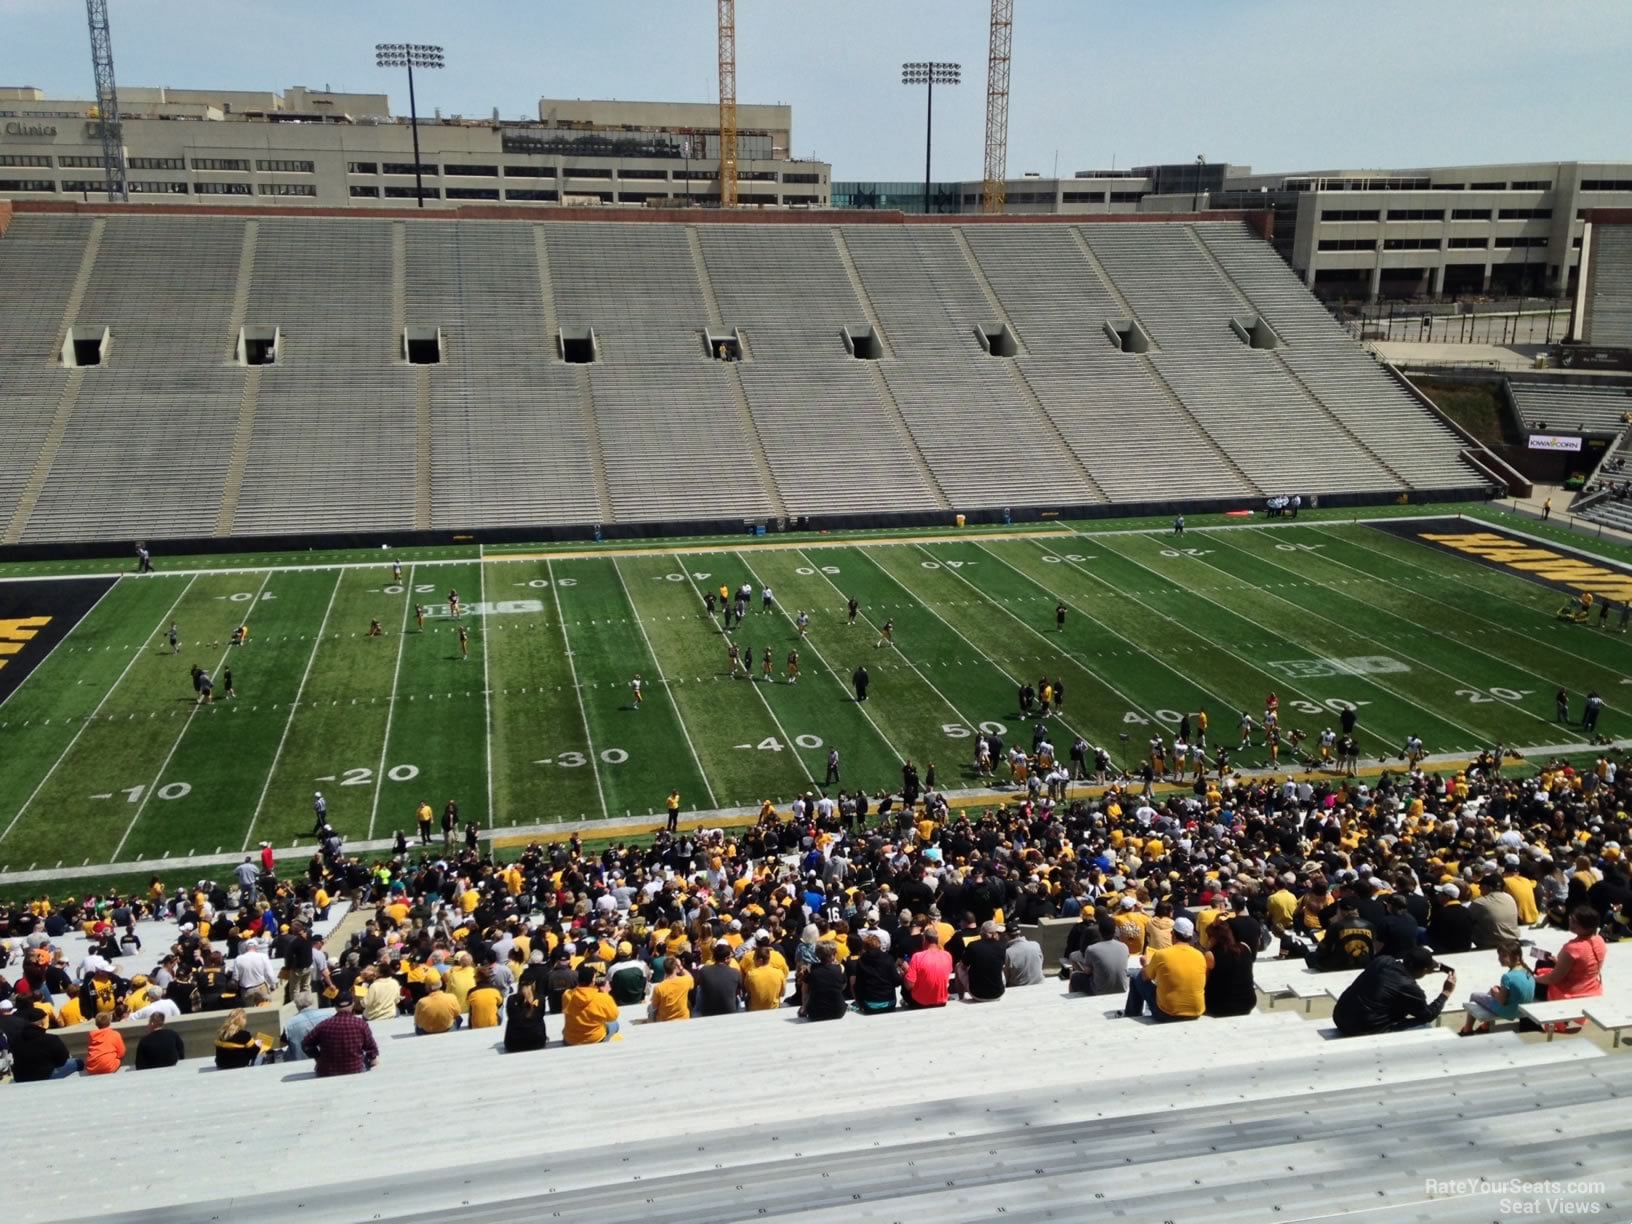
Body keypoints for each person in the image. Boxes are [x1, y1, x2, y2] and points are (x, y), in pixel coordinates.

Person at [1331, 947, 1455, 1036]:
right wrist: (1446, 993)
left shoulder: (1382, 960)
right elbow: (1428, 1015)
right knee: (1424, 1026)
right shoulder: (1410, 988)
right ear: (1423, 970)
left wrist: (1431, 966)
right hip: (1360, 1029)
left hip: (1340, 1016)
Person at [1124, 916, 1205, 1022]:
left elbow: (1145, 977)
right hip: (1196, 1012)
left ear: (1173, 934)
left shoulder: (1162, 954)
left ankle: (1132, 1014)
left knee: (1136, 976)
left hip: (1167, 1014)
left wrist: (1145, 964)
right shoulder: (1200, 955)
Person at [1533, 906, 1607, 1008]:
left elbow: (1553, 979)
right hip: (1591, 987)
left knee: (1531, 976)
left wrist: (1534, 979)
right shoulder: (1599, 940)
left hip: (1571, 993)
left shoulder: (1573, 948)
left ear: (1586, 926)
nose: (1571, 922)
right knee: (1545, 961)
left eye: (1575, 921)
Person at [1459, 940, 1536, 1035]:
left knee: (1474, 996)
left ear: (1516, 957)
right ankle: (1485, 1026)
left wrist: (1495, 992)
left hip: (1509, 1012)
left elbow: (1501, 1001)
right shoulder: (1528, 972)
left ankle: (1467, 1029)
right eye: (1499, 955)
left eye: (1504, 956)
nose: (1499, 959)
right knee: (1492, 993)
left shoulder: (1507, 977)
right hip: (1523, 1011)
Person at [302, 995, 379, 1076]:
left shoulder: (323, 1025)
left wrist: (318, 1058)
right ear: (352, 1004)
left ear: (335, 1007)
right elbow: (371, 1048)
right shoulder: (361, 1024)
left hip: (327, 1071)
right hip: (356, 1069)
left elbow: (306, 1044)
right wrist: (372, 1058)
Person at [1204, 916, 1257, 1017]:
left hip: (1220, 1006)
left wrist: (1207, 949)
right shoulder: (1245, 947)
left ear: (1214, 938)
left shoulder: (1211, 955)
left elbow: (1204, 982)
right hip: (1247, 1003)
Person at [10, 1006, 81, 1081]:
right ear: (42, 1022)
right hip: (45, 1075)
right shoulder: (51, 1038)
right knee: (78, 1062)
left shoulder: (16, 1039)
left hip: (21, 1077)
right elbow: (62, 1060)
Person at [563, 964, 621, 1044]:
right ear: (593, 981)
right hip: (595, 1038)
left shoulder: (567, 995)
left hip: (571, 1039)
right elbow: (613, 1016)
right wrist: (605, 994)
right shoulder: (602, 998)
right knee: (615, 1024)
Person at [959, 920, 1008, 1002]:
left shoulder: (972, 946)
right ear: (993, 934)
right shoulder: (1002, 946)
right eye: (997, 933)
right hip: (998, 993)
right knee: (1000, 968)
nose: (999, 935)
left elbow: (963, 966)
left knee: (958, 966)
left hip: (977, 994)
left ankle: (961, 997)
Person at [904, 926, 952, 1009]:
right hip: (941, 1001)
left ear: (925, 940)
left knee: (905, 977)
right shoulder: (947, 955)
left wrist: (906, 971)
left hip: (920, 1002)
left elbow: (909, 985)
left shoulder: (917, 957)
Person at [801, 942, 848, 1021]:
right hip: (838, 1011)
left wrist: (804, 1007)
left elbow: (804, 990)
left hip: (815, 1013)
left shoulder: (810, 968)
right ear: (833, 955)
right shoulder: (840, 968)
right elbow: (843, 986)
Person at [503, 982, 549, 1052]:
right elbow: (541, 1015)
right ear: (533, 985)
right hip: (537, 1042)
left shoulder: (511, 999)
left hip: (513, 1044)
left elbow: (509, 1016)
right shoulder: (540, 998)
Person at [280, 991, 323, 1060]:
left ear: (297, 1005)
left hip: (300, 1060)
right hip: (325, 1058)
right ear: (312, 1002)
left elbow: (283, 1043)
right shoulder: (327, 1015)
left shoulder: (289, 1023)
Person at [84, 1011, 126, 1075]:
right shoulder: (115, 1034)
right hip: (109, 1067)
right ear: (109, 1022)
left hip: (91, 1068)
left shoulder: (91, 1035)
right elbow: (121, 1053)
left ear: (96, 1024)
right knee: (119, 1059)